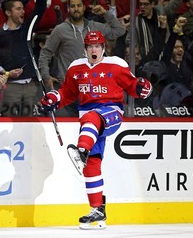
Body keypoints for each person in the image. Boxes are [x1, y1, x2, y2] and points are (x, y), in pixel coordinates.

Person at [40, 31, 152, 229]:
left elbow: (133, 86)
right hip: (88, 125)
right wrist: (54, 99)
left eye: (98, 46)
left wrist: (144, 88)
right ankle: (98, 210)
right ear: (85, 48)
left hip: (111, 113)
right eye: (91, 46)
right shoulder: (76, 68)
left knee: (92, 118)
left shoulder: (117, 64)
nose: (94, 50)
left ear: (103, 48)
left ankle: (81, 151)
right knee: (92, 163)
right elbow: (68, 92)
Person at [38, 0, 125, 116]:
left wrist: (105, 13)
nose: (76, 9)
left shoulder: (95, 27)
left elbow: (119, 30)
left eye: (79, 5)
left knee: (90, 128)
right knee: (67, 128)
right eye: (72, 6)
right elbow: (46, 53)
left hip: (93, 89)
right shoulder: (60, 30)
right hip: (68, 89)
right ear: (68, 9)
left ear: (84, 7)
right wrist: (46, 75)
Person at [0, 0, 46, 117]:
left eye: (23, 8)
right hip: (10, 88)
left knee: (30, 126)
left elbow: (41, 6)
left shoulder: (27, 29)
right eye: (18, 9)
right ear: (8, 12)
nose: (23, 12)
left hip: (30, 87)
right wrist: (7, 73)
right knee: (10, 123)